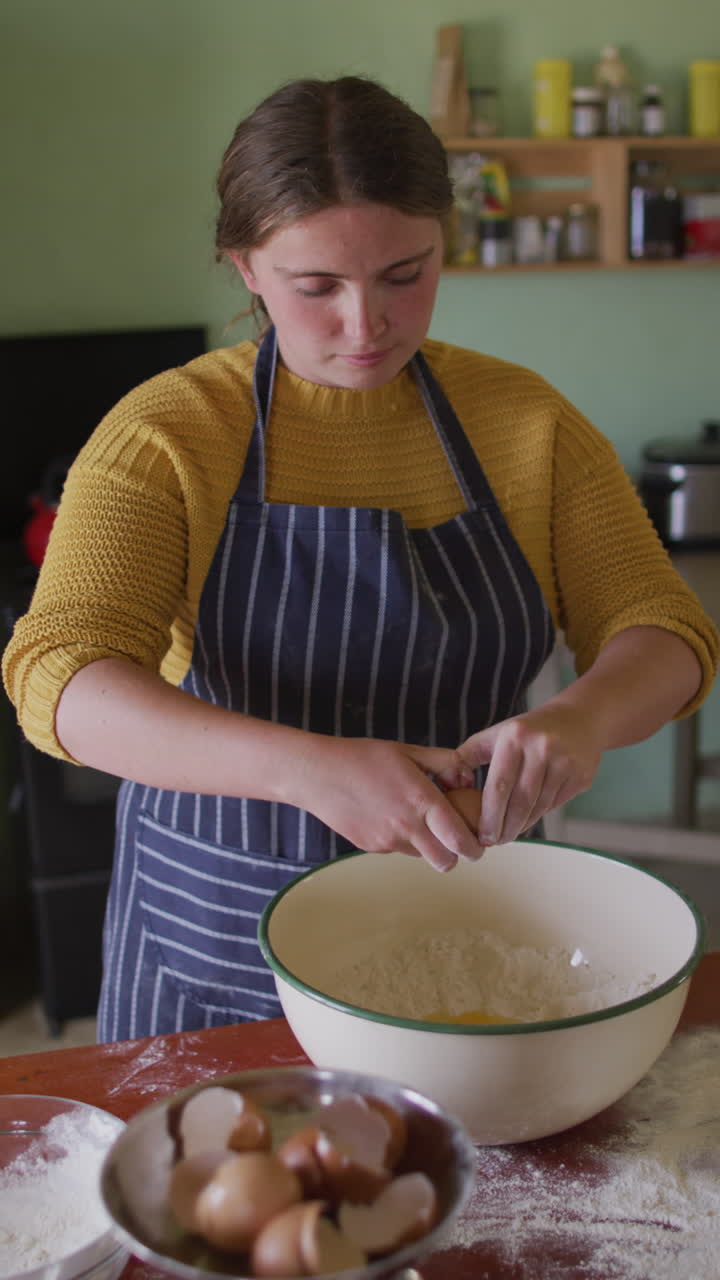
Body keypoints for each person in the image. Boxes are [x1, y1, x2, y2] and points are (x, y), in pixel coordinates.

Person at [3, 76, 717, 1043]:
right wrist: (309, 771)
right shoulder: (167, 432)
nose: (366, 324)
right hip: (217, 946)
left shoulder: (525, 422)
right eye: (318, 287)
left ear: (443, 245)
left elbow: (664, 629)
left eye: (404, 274)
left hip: (475, 920)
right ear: (245, 265)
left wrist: (580, 719)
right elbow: (59, 677)